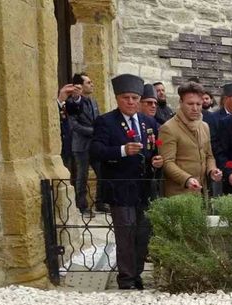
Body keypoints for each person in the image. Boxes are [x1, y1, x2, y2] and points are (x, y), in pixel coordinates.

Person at [90, 73, 163, 290]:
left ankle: (137, 273)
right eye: (125, 98)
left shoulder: (149, 122)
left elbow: (155, 148)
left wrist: (157, 161)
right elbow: (96, 150)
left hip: (144, 188)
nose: (130, 102)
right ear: (118, 98)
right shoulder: (106, 121)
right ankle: (126, 277)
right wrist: (122, 150)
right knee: (126, 232)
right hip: (120, 187)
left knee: (143, 232)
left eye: (134, 98)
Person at [157, 81, 222, 199]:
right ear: (181, 103)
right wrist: (187, 179)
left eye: (198, 104)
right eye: (190, 104)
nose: (195, 108)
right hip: (178, 195)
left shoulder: (204, 126)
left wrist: (212, 170)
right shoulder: (168, 128)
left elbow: (209, 156)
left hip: (202, 193)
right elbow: (167, 163)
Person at [68, 72, 107, 216]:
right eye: (88, 82)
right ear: (80, 86)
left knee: (102, 173)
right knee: (82, 176)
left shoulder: (93, 101)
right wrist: (92, 131)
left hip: (95, 145)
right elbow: (74, 125)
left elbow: (98, 120)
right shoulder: (72, 102)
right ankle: (82, 206)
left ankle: (100, 203)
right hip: (81, 145)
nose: (92, 84)